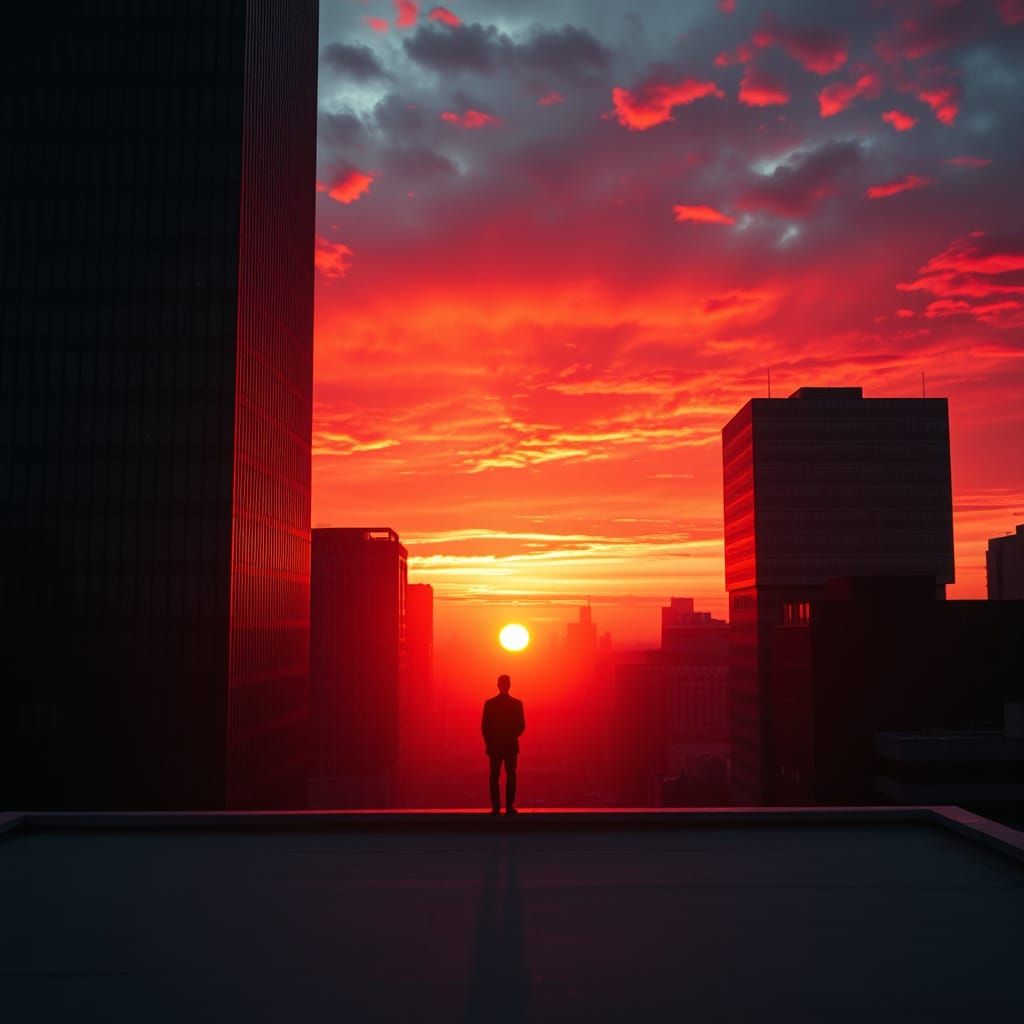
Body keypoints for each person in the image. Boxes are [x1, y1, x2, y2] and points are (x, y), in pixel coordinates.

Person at [481, 674, 526, 815]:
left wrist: (491, 742)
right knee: (508, 775)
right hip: (508, 745)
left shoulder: (490, 704)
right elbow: (521, 726)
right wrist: (509, 736)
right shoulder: (516, 704)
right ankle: (508, 806)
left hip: (497, 745)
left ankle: (497, 807)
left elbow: (485, 727)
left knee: (496, 776)